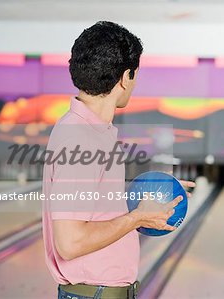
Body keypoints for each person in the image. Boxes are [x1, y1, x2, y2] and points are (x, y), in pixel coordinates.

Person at [42, 21, 195, 299]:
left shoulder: (94, 132)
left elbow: (89, 205)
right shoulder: (80, 138)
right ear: (125, 77)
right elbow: (70, 242)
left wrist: (148, 195)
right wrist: (137, 217)